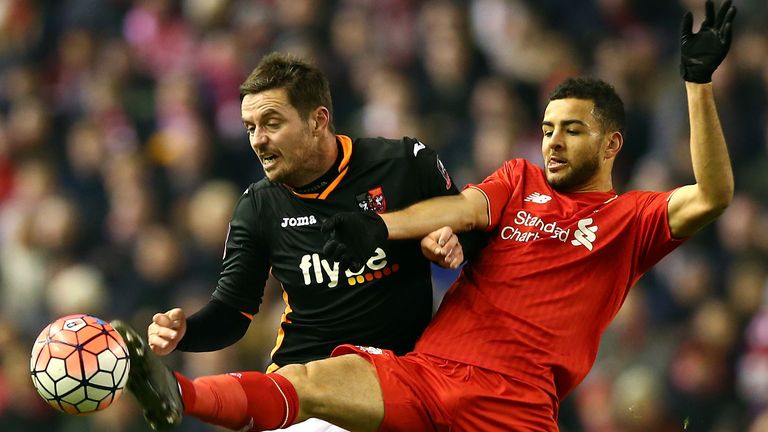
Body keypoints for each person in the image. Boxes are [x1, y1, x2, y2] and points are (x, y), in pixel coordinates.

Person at [113, 1, 737, 430]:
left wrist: (696, 85)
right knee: (313, 382)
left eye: (571, 131)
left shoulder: (633, 219)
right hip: (428, 370)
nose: (552, 142)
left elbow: (712, 196)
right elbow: (460, 208)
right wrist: (385, 227)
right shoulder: (518, 181)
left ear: (610, 145)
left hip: (514, 405)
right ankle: (180, 397)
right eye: (547, 128)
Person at [114, 52, 483, 431]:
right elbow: (233, 311)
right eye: (249, 127)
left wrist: (450, 242)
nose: (258, 140)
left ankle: (186, 395)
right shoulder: (258, 207)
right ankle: (182, 394)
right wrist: (186, 332)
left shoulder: (404, 163)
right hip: (306, 384)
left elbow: (472, 227)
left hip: (404, 377)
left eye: (271, 123)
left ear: (317, 120)